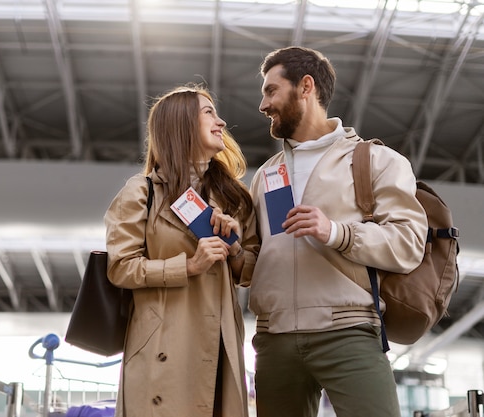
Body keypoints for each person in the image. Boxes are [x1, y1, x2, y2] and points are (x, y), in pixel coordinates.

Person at [248, 46, 428, 416]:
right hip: (273, 339)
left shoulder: (376, 160)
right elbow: (253, 259)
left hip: (349, 332)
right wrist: (227, 245)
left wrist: (336, 232)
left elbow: (409, 244)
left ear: (305, 87)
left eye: (270, 91)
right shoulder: (265, 175)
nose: (263, 105)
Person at [104, 84, 260, 417]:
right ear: (181, 124)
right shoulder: (140, 192)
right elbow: (121, 268)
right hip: (163, 346)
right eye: (209, 114)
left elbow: (249, 273)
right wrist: (188, 266)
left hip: (220, 346)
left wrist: (233, 247)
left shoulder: (234, 199)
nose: (221, 123)